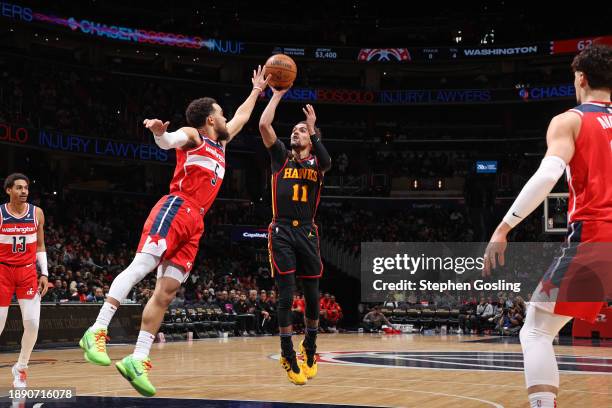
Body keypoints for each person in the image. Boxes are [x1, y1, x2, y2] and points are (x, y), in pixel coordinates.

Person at [79, 66, 270, 397]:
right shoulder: (194, 136)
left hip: (196, 222)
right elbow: (170, 140)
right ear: (210, 119)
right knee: (140, 266)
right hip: (175, 208)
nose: (226, 119)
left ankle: (137, 359)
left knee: (165, 293)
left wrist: (256, 91)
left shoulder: (221, 145)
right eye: (221, 115)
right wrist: (157, 133)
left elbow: (240, 117)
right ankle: (96, 329)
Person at [484, 45, 612, 408]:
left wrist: (503, 227)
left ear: (581, 78)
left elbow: (547, 176)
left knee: (536, 329)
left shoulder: (570, 120)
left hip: (598, 234)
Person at [259, 87, 332, 385]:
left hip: (308, 230)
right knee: (286, 293)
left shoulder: (318, 163)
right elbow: (264, 125)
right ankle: (287, 352)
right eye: (295, 130)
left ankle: (310, 345)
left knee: (313, 297)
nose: (296, 133)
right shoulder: (280, 157)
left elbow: (327, 161)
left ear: (312, 138)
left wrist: (313, 129)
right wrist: (276, 95)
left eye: (302, 130)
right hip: (282, 230)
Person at [0, 173, 49, 387]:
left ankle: (21, 368)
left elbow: (40, 246)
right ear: (8, 190)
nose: (24, 192)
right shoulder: (0, 214)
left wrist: (45, 273)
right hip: (2, 271)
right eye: (19, 188)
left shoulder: (37, 213)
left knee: (33, 324)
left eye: (26, 188)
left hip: (27, 272)